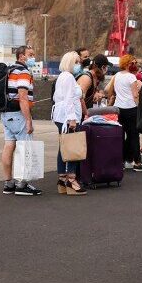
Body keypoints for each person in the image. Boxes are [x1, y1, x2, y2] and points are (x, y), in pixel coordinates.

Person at [1, 45, 42, 196]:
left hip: (6, 114)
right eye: (30, 54)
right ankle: (22, 184)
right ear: (21, 56)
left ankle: (8, 183)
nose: (33, 57)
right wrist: (28, 120)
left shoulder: (9, 70)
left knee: (8, 146)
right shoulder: (23, 72)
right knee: (26, 148)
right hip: (18, 114)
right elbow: (23, 98)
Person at [51, 51, 88, 195]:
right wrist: (72, 118)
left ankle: (62, 178)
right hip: (68, 118)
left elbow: (57, 97)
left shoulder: (63, 77)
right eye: (77, 62)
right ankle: (71, 179)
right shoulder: (68, 78)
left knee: (64, 146)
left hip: (62, 117)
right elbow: (68, 99)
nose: (79, 65)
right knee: (72, 147)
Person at [111, 54, 142, 172]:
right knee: (134, 136)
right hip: (131, 108)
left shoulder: (117, 76)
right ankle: (137, 161)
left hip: (118, 108)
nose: (135, 65)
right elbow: (135, 95)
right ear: (127, 64)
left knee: (121, 136)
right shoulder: (131, 77)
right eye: (133, 63)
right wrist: (140, 107)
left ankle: (121, 160)